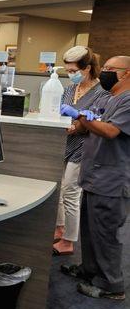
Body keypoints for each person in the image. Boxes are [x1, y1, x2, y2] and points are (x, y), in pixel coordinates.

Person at [60, 55, 130, 300]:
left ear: (127, 73)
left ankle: (112, 285)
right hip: (95, 175)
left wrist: (80, 116)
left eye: (111, 69)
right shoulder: (112, 98)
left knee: (106, 234)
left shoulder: (128, 101)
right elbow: (96, 122)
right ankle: (90, 270)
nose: (105, 73)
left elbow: (110, 131)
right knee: (91, 229)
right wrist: (87, 118)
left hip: (111, 179)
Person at [53, 46, 107, 256]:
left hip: (84, 146)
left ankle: (68, 241)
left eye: (74, 71)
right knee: (58, 189)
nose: (71, 75)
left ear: (88, 68)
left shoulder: (101, 93)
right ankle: (59, 227)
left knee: (70, 192)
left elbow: (96, 120)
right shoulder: (68, 90)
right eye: (68, 71)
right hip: (64, 143)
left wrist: (77, 125)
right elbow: (60, 112)